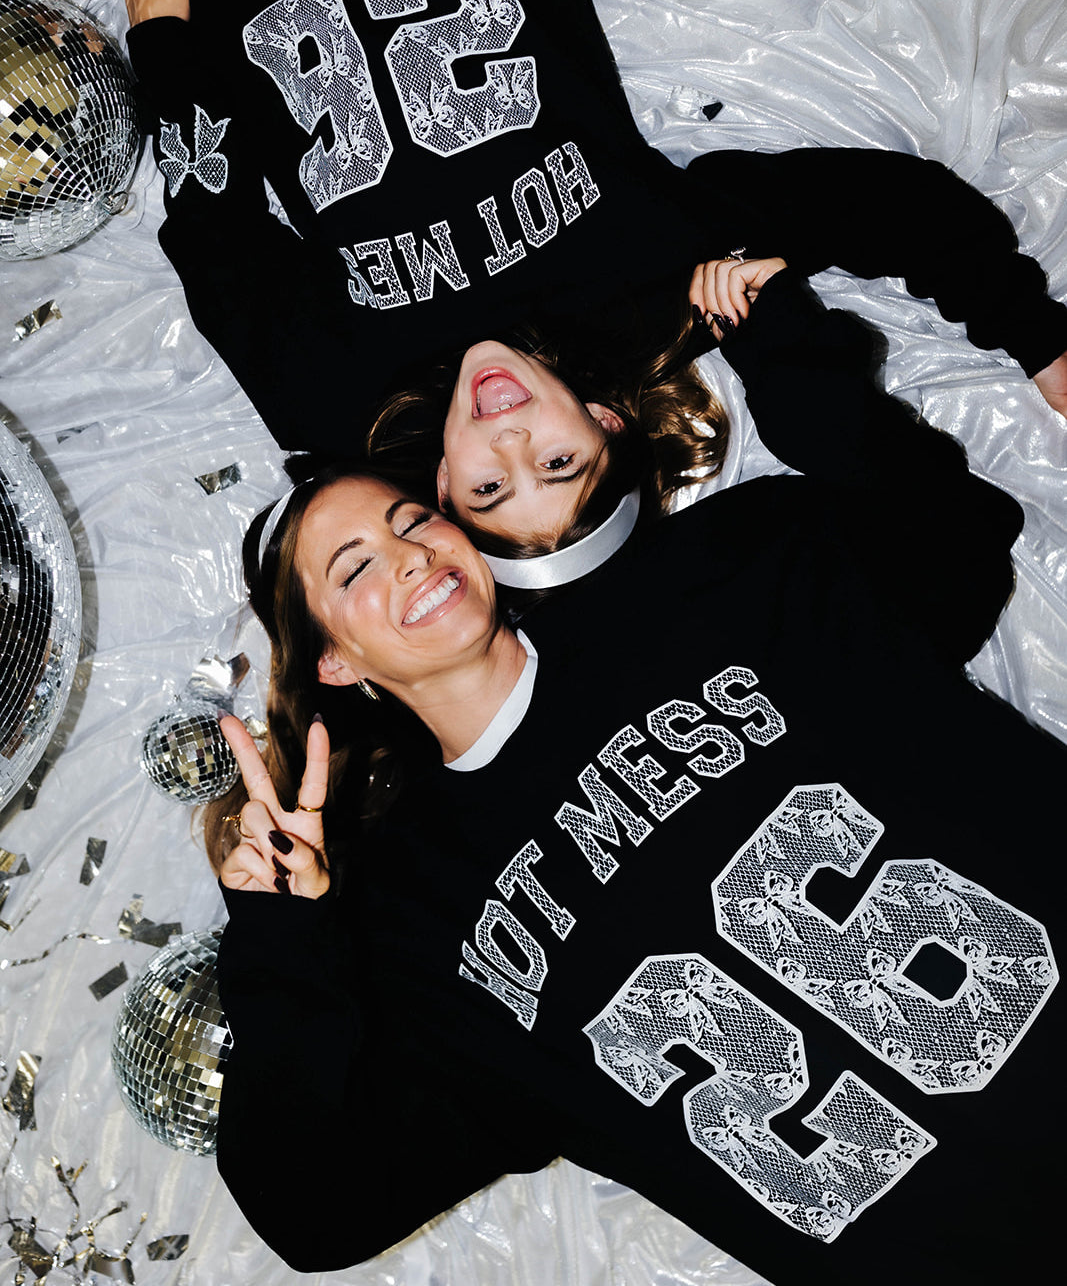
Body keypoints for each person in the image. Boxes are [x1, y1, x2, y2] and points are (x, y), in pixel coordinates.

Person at [208, 256, 1061, 1286]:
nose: (405, 558)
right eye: (352, 569)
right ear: (337, 662)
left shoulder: (727, 565)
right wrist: (279, 934)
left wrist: (784, 352)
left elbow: (960, 543)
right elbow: (314, 1213)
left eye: (413, 521)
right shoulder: (409, 917)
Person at [112, 0, 1066, 568]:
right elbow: (891, 210)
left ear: (443, 492)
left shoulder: (341, 406)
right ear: (606, 421)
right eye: (561, 462)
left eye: (490, 486)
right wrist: (1038, 339)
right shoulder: (659, 285)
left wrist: (164, 52)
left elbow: (220, 253)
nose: (510, 440)